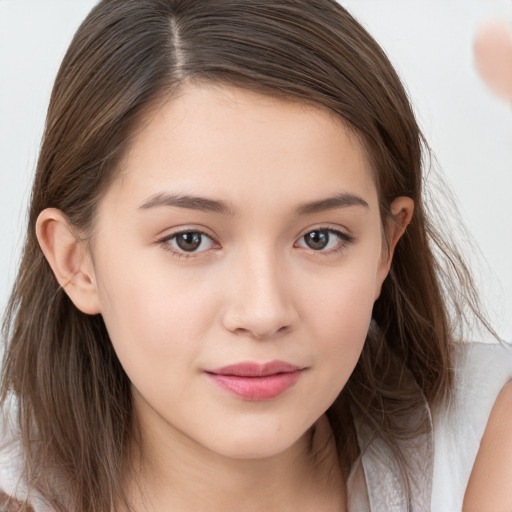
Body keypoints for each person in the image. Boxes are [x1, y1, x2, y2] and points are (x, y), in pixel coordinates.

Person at [0, 1, 511, 511]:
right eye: (189, 240)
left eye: (320, 238)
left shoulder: (485, 444)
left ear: (386, 246)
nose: (263, 313)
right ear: (75, 262)